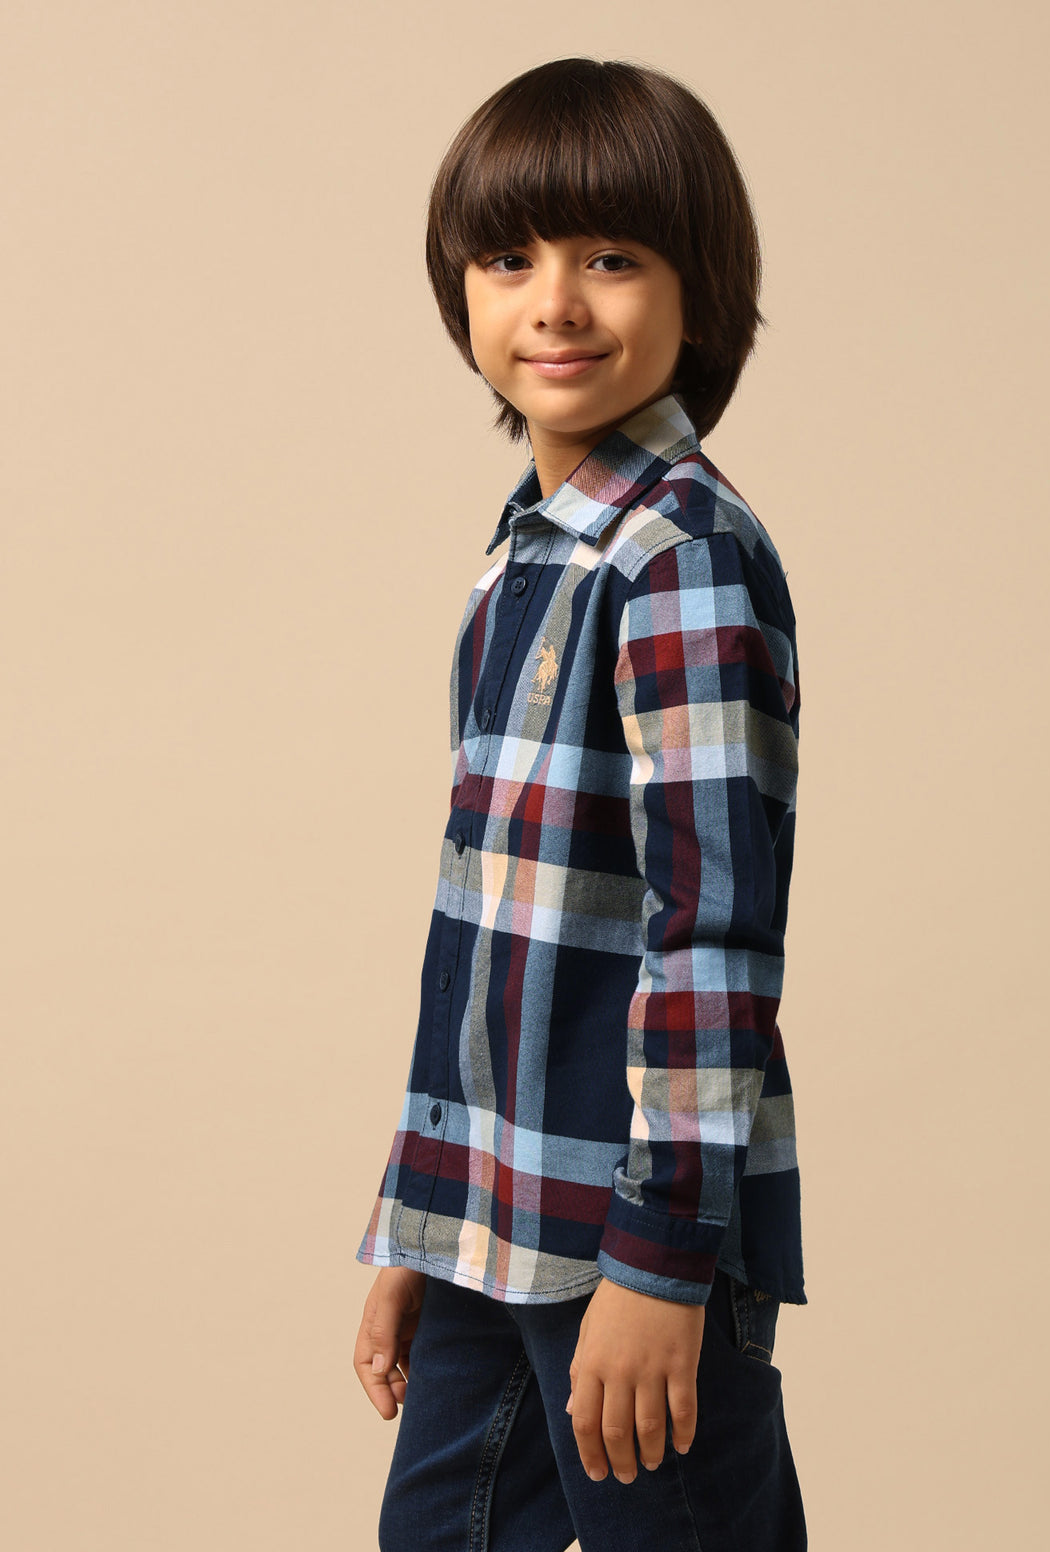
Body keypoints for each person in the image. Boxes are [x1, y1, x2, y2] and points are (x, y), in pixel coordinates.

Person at [352, 57, 808, 1552]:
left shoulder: (679, 558)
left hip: (627, 1230)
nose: (553, 302)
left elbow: (711, 933)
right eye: (510, 258)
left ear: (699, 291)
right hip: (499, 1218)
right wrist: (426, 1218)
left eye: (611, 257)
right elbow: (488, 929)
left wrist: (664, 1259)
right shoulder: (530, 556)